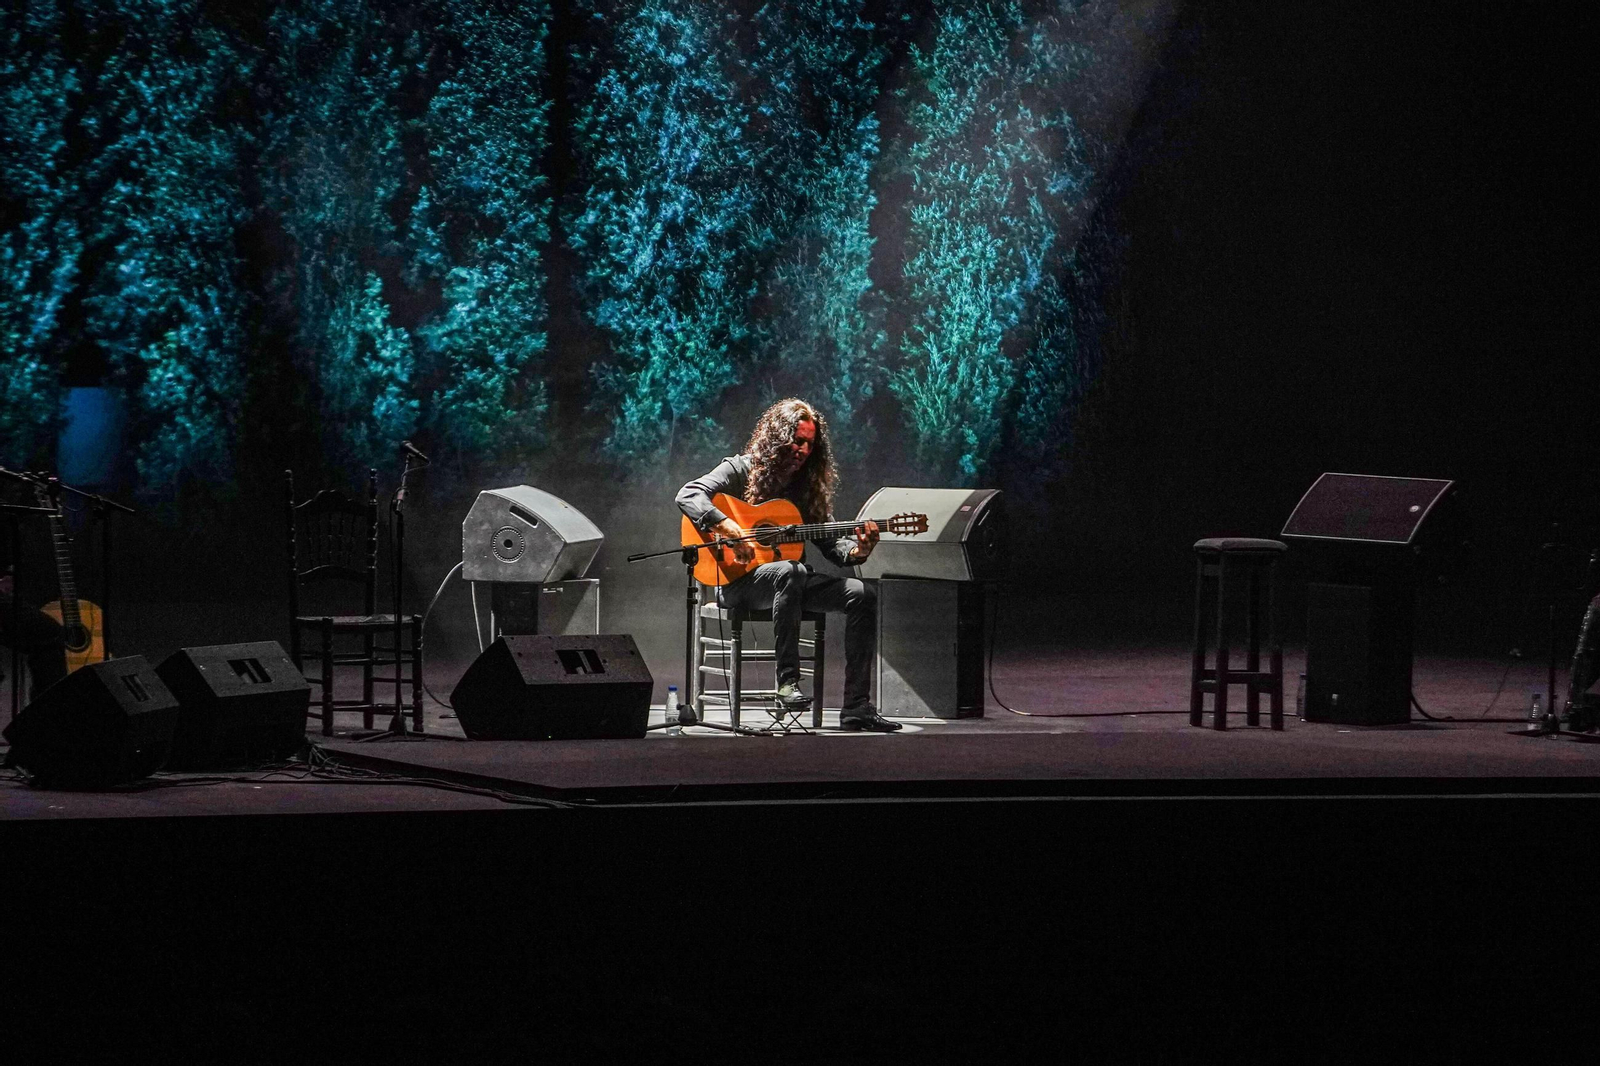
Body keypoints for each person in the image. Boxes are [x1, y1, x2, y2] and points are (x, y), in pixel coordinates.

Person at [676, 398, 899, 732]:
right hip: (738, 584)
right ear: (777, 437)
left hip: (787, 583)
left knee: (861, 595)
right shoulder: (740, 469)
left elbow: (834, 546)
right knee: (791, 571)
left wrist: (859, 551)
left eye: (810, 444)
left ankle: (856, 707)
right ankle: (788, 682)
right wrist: (730, 529)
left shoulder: (806, 488)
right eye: (797, 440)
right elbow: (689, 494)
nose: (803, 450)